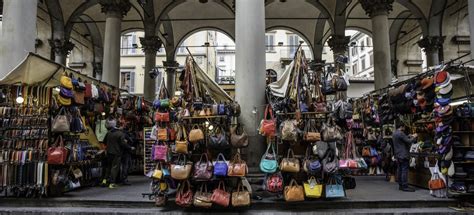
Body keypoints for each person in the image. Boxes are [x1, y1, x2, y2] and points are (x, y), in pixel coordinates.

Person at [101, 117, 134, 189]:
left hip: (109, 153)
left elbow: (104, 142)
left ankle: (104, 181)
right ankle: (112, 183)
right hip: (117, 153)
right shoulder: (120, 134)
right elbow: (123, 144)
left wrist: (106, 150)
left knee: (108, 167)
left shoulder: (109, 133)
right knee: (114, 168)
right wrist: (130, 147)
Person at [392, 121, 417, 192]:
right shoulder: (401, 133)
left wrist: (408, 136)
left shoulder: (394, 133)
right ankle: (405, 186)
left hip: (398, 154)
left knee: (400, 169)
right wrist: (414, 137)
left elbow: (402, 139)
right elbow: (409, 141)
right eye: (404, 127)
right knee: (404, 170)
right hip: (403, 154)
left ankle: (400, 185)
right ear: (402, 126)